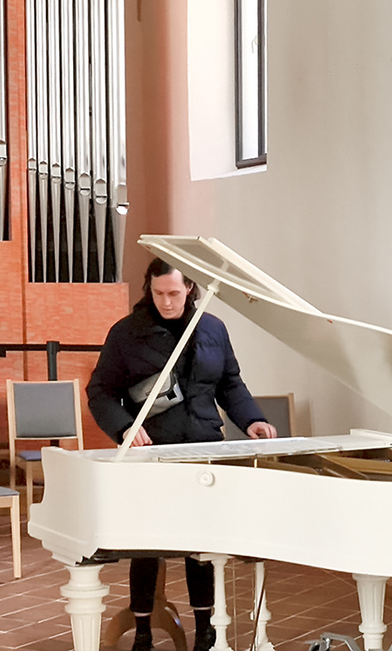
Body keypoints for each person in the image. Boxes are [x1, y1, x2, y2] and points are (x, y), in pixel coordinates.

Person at [88, 258, 276, 651]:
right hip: (153, 451)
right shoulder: (127, 333)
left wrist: (252, 419)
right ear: (149, 289)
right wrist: (124, 426)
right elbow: (101, 391)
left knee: (201, 544)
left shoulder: (212, 328)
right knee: (145, 544)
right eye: (158, 294)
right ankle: (142, 629)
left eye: (174, 293)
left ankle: (206, 629)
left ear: (190, 288)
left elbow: (230, 384)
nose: (167, 302)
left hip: (204, 447)